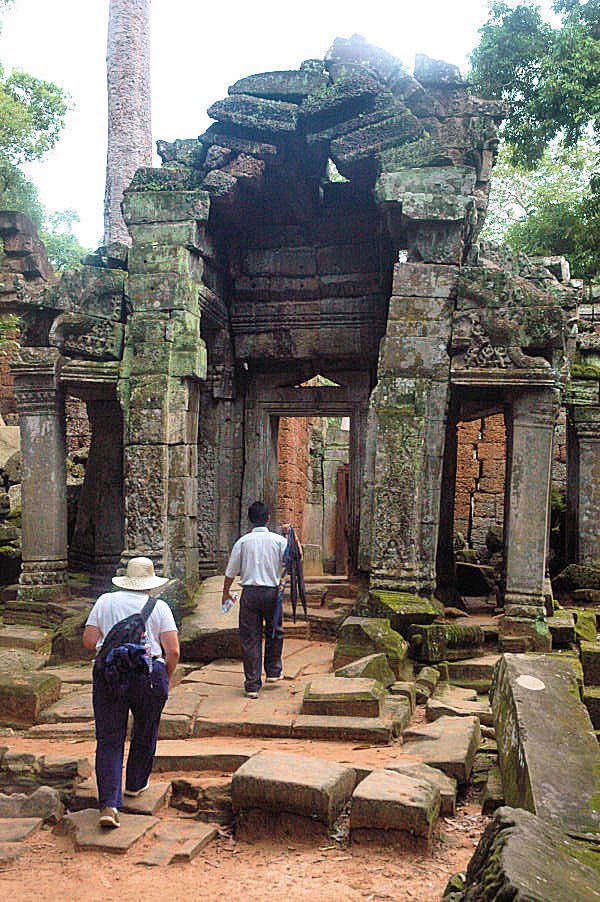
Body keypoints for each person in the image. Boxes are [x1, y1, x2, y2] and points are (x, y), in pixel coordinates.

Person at [82, 556, 180, 829]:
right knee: (145, 729)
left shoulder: (105, 601)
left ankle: (109, 804)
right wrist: (165, 677)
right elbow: (172, 650)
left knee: (110, 738)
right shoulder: (159, 607)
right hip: (148, 673)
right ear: (151, 583)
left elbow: (89, 641)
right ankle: (135, 785)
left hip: (109, 673)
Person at [222, 501, 288, 699]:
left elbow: (230, 571)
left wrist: (225, 592)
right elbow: (296, 557)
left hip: (250, 594)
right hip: (272, 593)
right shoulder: (279, 541)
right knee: (275, 630)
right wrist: (290, 536)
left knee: (250, 638)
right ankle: (274, 671)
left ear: (249, 520)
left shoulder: (243, 542)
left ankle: (252, 684)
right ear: (268, 518)